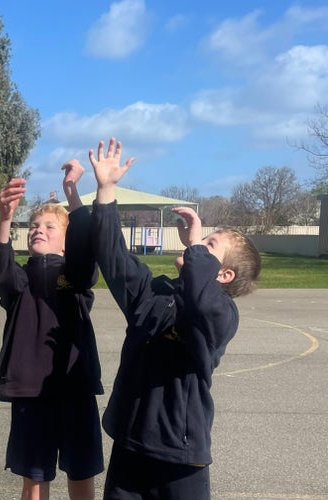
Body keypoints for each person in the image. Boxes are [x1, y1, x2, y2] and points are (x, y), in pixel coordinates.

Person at [88, 137, 261, 500]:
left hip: (180, 457)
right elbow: (114, 260)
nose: (195, 244)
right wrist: (106, 192)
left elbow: (200, 302)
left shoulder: (222, 314)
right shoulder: (156, 293)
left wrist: (196, 247)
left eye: (209, 245)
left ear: (223, 275)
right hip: (130, 446)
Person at [0, 161, 104, 500]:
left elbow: (89, 248)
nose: (39, 229)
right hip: (29, 392)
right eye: (34, 225)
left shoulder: (76, 276)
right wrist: (5, 217)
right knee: (34, 480)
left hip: (74, 385)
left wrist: (71, 191)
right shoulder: (19, 280)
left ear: (67, 241)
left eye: (50, 226)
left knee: (81, 473)